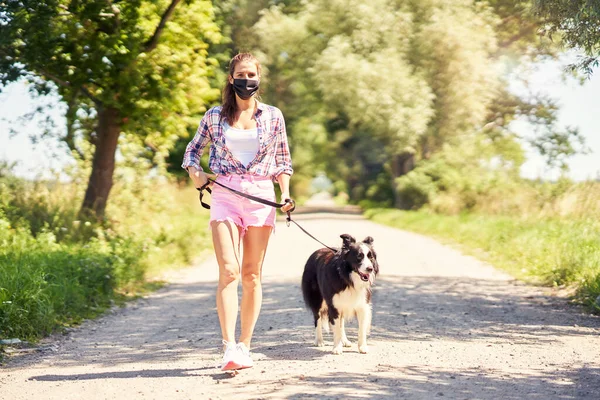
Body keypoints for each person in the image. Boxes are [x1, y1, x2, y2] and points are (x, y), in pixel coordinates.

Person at [182, 53, 294, 371]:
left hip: (261, 195)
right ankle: (228, 347)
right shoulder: (215, 116)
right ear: (231, 79)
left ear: (259, 79)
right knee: (229, 271)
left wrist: (285, 194)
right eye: (241, 74)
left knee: (252, 274)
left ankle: (246, 345)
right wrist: (195, 173)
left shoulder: (273, 116)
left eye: (252, 74)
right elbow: (192, 150)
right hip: (225, 194)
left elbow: (283, 162)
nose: (247, 79)